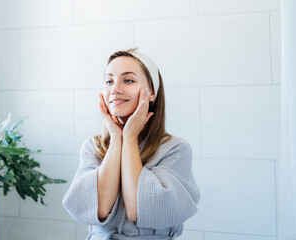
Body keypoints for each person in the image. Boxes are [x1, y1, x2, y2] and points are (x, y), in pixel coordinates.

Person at [62, 48, 200, 240]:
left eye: (128, 80)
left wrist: (129, 137)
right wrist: (116, 139)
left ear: (151, 92)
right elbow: (100, 209)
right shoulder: (93, 147)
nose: (115, 89)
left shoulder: (175, 149)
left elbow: (138, 209)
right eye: (109, 81)